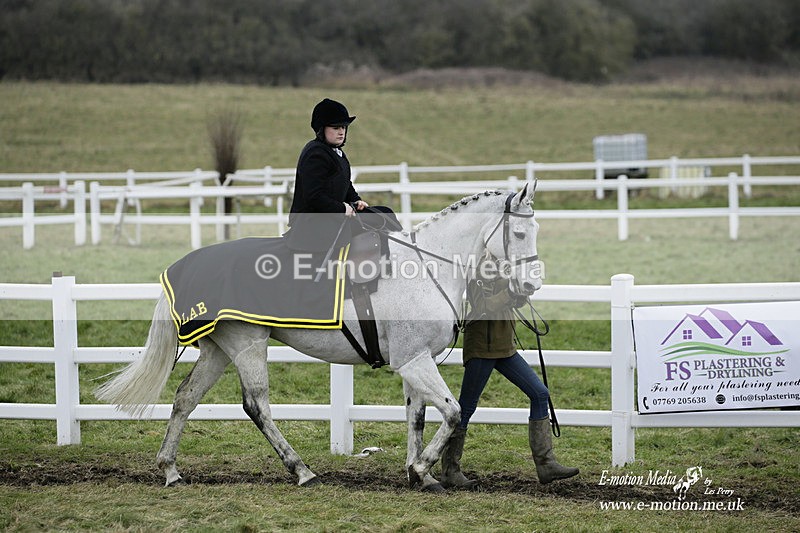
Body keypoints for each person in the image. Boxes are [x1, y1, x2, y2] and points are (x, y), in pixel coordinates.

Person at [440, 267, 579, 489]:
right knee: (466, 407)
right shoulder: (477, 268)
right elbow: (483, 306)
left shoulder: (505, 266)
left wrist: (522, 292)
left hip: (505, 346)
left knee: (539, 393)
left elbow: (514, 302)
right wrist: (511, 292)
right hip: (482, 348)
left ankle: (546, 464)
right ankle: (450, 470)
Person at [286, 98, 369, 252]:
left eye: (344, 127)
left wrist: (356, 200)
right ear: (322, 129)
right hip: (312, 223)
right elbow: (314, 196)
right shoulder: (315, 153)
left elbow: (344, 183)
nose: (341, 131)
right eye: (336, 127)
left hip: (332, 217)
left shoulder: (337, 153)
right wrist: (341, 209)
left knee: (381, 214)